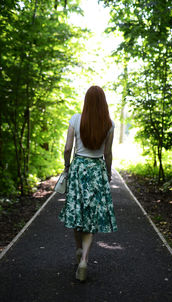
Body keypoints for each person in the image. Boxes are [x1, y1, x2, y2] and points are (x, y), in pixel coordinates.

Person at [58, 85, 117, 282]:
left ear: (86, 101)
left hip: (78, 169)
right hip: (96, 170)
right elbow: (107, 153)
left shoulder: (76, 118)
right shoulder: (109, 124)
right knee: (91, 217)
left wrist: (67, 167)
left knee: (77, 212)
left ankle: (77, 249)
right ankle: (84, 259)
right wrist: (108, 174)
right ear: (103, 102)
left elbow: (68, 148)